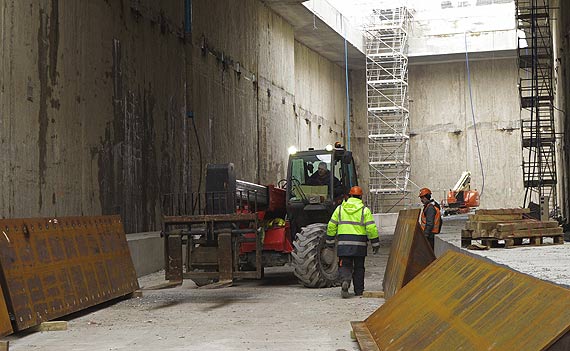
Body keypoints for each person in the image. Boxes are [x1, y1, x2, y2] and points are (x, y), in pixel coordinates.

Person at [326, 186, 380, 298]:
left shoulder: (340, 209)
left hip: (343, 244)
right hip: (359, 245)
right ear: (360, 196)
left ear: (349, 195)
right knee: (359, 267)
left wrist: (330, 241)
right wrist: (375, 243)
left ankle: (345, 281)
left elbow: (331, 225)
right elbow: (371, 228)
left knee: (345, 265)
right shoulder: (364, 210)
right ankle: (359, 290)